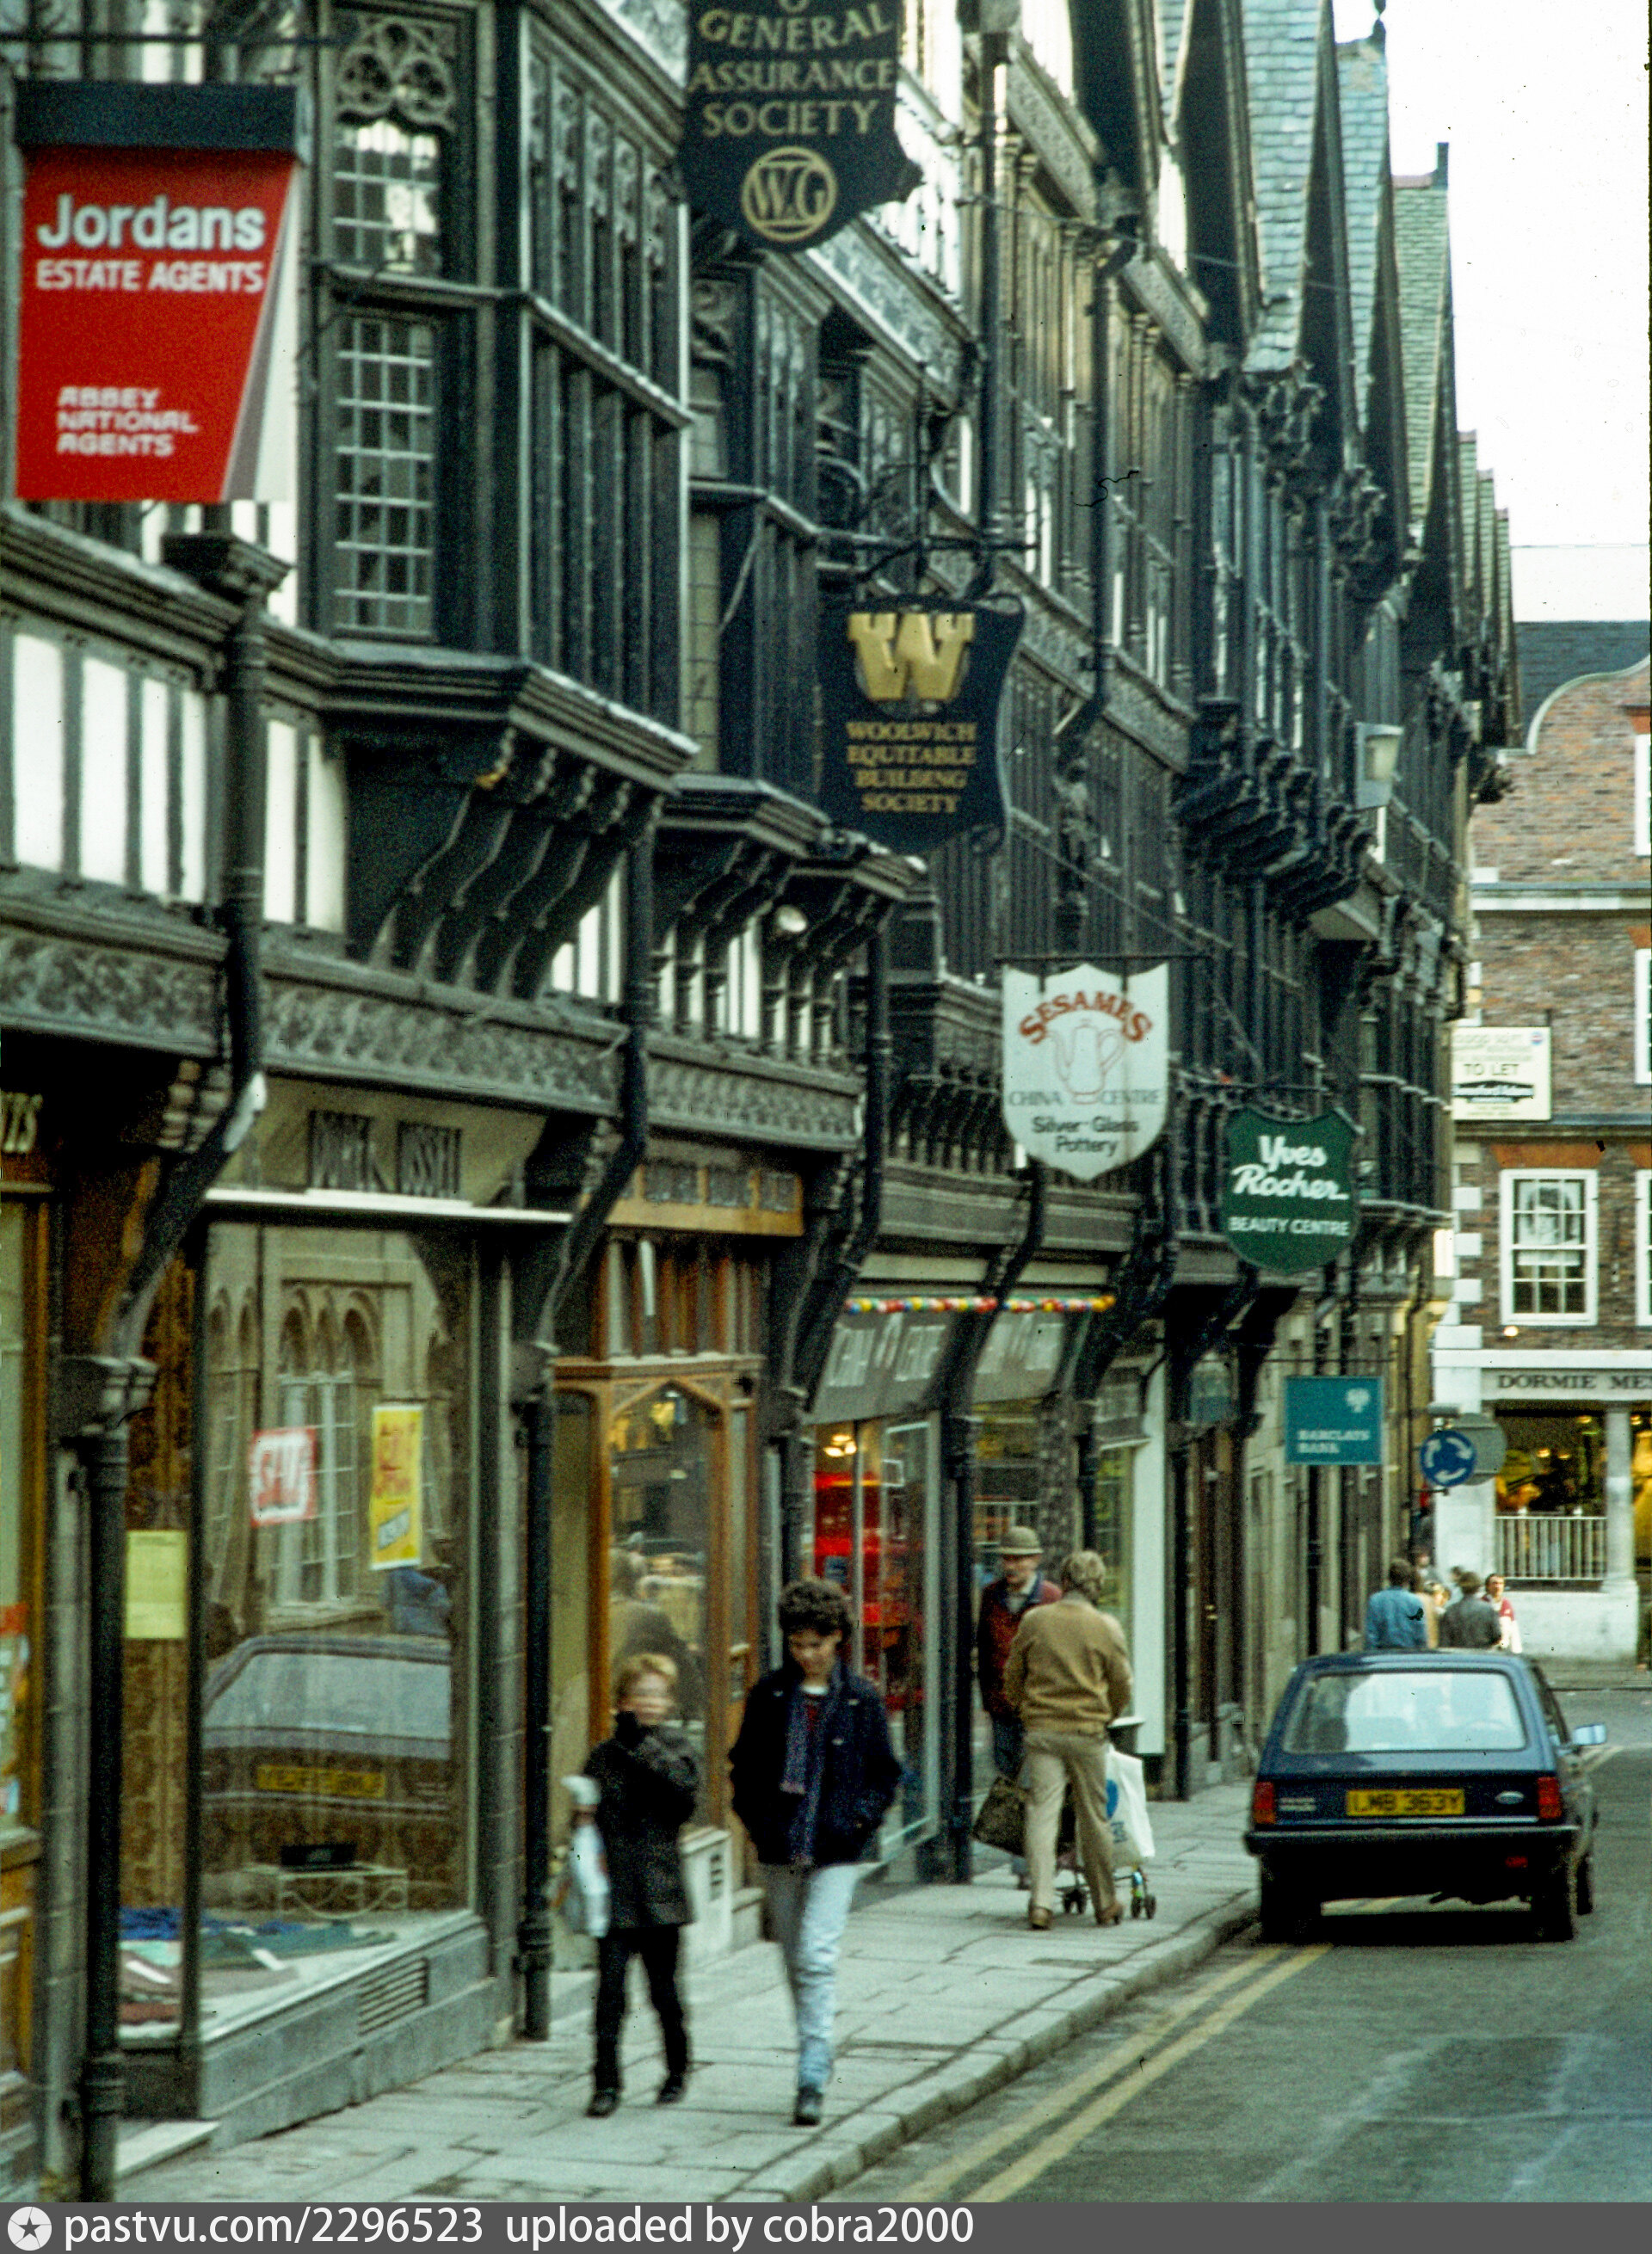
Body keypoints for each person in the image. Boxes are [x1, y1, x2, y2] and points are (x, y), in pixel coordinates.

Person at [729, 1579, 901, 2129]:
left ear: (838, 1640)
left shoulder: (861, 1698)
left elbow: (885, 1774)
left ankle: (811, 2070)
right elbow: (744, 1767)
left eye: (817, 1644)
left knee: (816, 1957)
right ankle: (815, 2047)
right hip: (780, 1845)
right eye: (798, 1644)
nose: (807, 1654)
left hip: (835, 1848)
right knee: (793, 1959)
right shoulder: (770, 1694)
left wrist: (858, 1822)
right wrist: (757, 1824)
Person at [583, 1654, 699, 2117]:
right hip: (614, 1891)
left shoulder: (677, 1747)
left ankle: (677, 2071)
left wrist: (641, 1747)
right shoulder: (603, 1755)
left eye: (657, 1694)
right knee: (610, 1994)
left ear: (668, 1702)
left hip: (659, 1891)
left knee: (664, 1992)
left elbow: (683, 1799)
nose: (649, 1702)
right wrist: (582, 1871)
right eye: (640, 1694)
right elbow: (584, 1823)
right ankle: (605, 2084)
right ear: (623, 1700)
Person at [1003, 1549, 1132, 1933]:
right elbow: (1121, 1684)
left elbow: (1013, 1673)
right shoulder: (1106, 1627)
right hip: (1086, 1733)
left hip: (1042, 1731)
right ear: (1098, 1586)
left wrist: (1023, 1707)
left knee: (1042, 1814)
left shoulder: (1036, 1620)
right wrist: (1109, 1714)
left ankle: (1041, 1902)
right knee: (1094, 1818)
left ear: (1064, 1582)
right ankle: (1105, 1903)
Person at [976, 1525, 1060, 1881]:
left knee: (1033, 1784)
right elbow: (983, 1648)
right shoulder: (990, 1596)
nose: (1011, 1565)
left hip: (1038, 1710)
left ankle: (1028, 1867)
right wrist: (988, 1700)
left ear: (1035, 1560)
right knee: (1009, 1780)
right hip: (1001, 1708)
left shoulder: (1052, 1598)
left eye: (1019, 1559)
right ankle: (1024, 1857)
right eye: (1007, 1558)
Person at [1365, 1558, 1429, 1650]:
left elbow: (1371, 1635)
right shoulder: (1415, 1602)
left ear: (1389, 1578)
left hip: (1383, 1654)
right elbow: (1420, 1632)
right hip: (1409, 1654)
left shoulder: (1375, 1600)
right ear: (1407, 1580)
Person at [1438, 1570, 1502, 1649]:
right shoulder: (1489, 1610)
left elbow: (1444, 1641)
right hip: (1482, 1653)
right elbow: (1497, 1636)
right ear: (1478, 1588)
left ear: (1461, 1588)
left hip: (1458, 1654)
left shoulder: (1450, 1611)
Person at [1485, 1572, 1523, 1653]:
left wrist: (1516, 1651)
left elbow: (1513, 1629)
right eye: (1494, 1583)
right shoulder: (1482, 1603)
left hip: (1504, 1650)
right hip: (1487, 1650)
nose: (1498, 1586)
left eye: (1500, 1583)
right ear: (1488, 1586)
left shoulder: (1506, 1604)